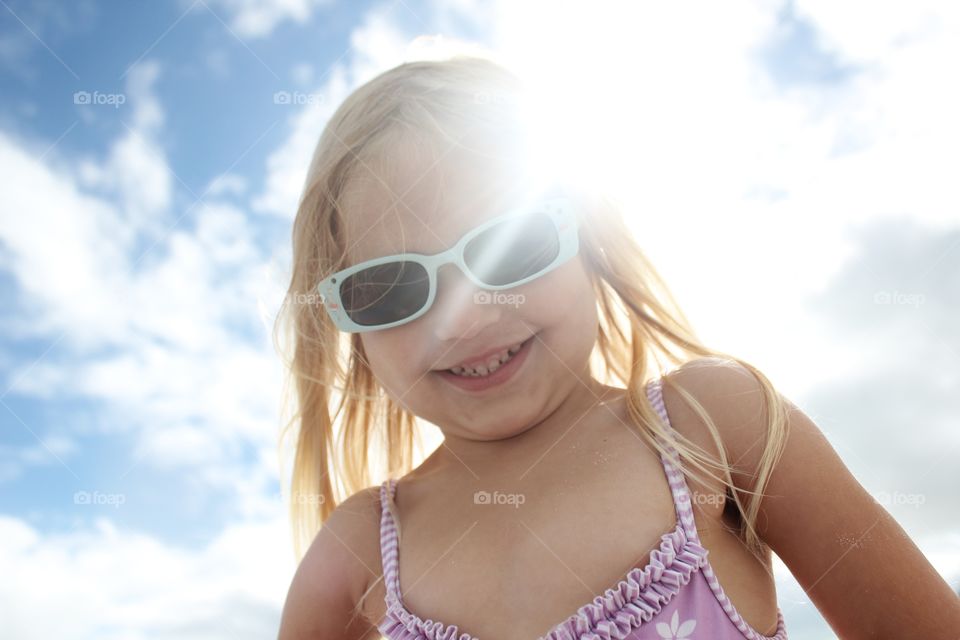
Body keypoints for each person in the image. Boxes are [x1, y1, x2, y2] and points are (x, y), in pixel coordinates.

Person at [275, 53, 960, 640]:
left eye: (511, 245)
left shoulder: (716, 427)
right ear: (344, 325)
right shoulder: (355, 554)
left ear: (588, 239)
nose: (465, 318)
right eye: (391, 287)